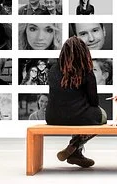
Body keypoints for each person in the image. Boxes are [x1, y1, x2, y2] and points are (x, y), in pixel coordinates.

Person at [45, 37, 107, 168]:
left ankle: (76, 154)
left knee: (79, 117)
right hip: (79, 115)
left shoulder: (52, 70)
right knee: (103, 116)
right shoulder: (86, 71)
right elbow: (94, 101)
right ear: (84, 52)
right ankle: (74, 145)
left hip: (52, 117)